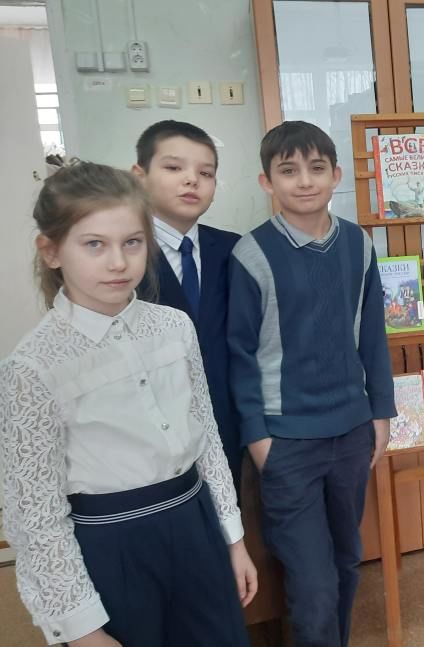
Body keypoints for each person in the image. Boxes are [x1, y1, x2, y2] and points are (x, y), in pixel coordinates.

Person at [0, 162, 255, 647]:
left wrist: (233, 540)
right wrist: (82, 630)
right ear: (51, 251)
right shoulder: (33, 367)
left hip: (195, 523)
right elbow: (36, 516)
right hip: (110, 545)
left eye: (132, 242)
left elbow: (207, 439)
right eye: (94, 244)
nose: (118, 262)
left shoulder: (174, 326)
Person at [228, 120, 397, 647]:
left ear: (336, 176)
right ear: (267, 182)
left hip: (351, 433)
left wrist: (381, 413)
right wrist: (260, 440)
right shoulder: (251, 254)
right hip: (287, 442)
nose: (304, 181)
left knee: (347, 562)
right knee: (313, 582)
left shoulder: (359, 244)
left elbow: (373, 335)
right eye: (288, 171)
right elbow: (240, 356)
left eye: (316, 168)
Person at [132, 120, 244, 491]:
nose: (191, 180)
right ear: (139, 176)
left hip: (226, 422)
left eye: (205, 173)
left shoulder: (234, 249)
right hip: (150, 435)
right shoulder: (122, 257)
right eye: (173, 167)